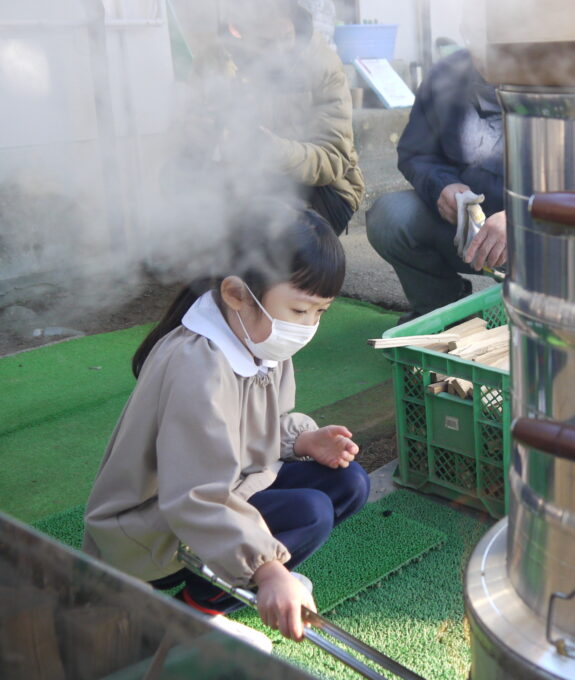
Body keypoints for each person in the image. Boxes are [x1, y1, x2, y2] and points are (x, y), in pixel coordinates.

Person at [83, 206, 369, 647]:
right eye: (300, 309)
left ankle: (223, 590)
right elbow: (193, 495)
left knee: (349, 482)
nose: (308, 326)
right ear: (237, 294)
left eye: (320, 312)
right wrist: (267, 568)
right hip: (151, 531)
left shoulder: (259, 335)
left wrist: (303, 440)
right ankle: (192, 615)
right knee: (310, 513)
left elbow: (259, 427)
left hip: (222, 488)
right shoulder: (196, 366)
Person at [168, 0, 364, 236]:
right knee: (178, 177)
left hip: (320, 190)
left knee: (270, 226)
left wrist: (275, 152)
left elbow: (334, 159)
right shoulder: (215, 60)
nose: (279, 52)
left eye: (286, 37)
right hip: (242, 180)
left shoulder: (321, 63)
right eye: (265, 42)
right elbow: (188, 140)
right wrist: (199, 133)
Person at [366, 49, 505, 323]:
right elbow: (417, 153)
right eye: (478, 38)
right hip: (467, 232)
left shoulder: (568, 75)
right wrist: (443, 186)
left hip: (545, 239)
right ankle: (445, 314)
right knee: (391, 216)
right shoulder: (447, 74)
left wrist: (525, 217)